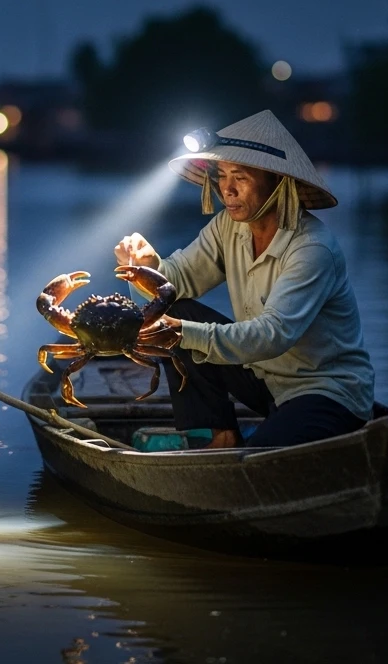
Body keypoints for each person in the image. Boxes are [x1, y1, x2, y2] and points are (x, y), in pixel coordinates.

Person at [113, 109, 374, 449]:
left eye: (241, 177)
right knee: (179, 309)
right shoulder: (229, 227)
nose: (227, 190)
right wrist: (147, 265)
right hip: (265, 382)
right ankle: (222, 433)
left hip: (326, 393)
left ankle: (250, 447)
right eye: (221, 176)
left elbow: (272, 335)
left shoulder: (311, 248)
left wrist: (182, 331)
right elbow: (174, 283)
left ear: (276, 182)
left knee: (258, 457)